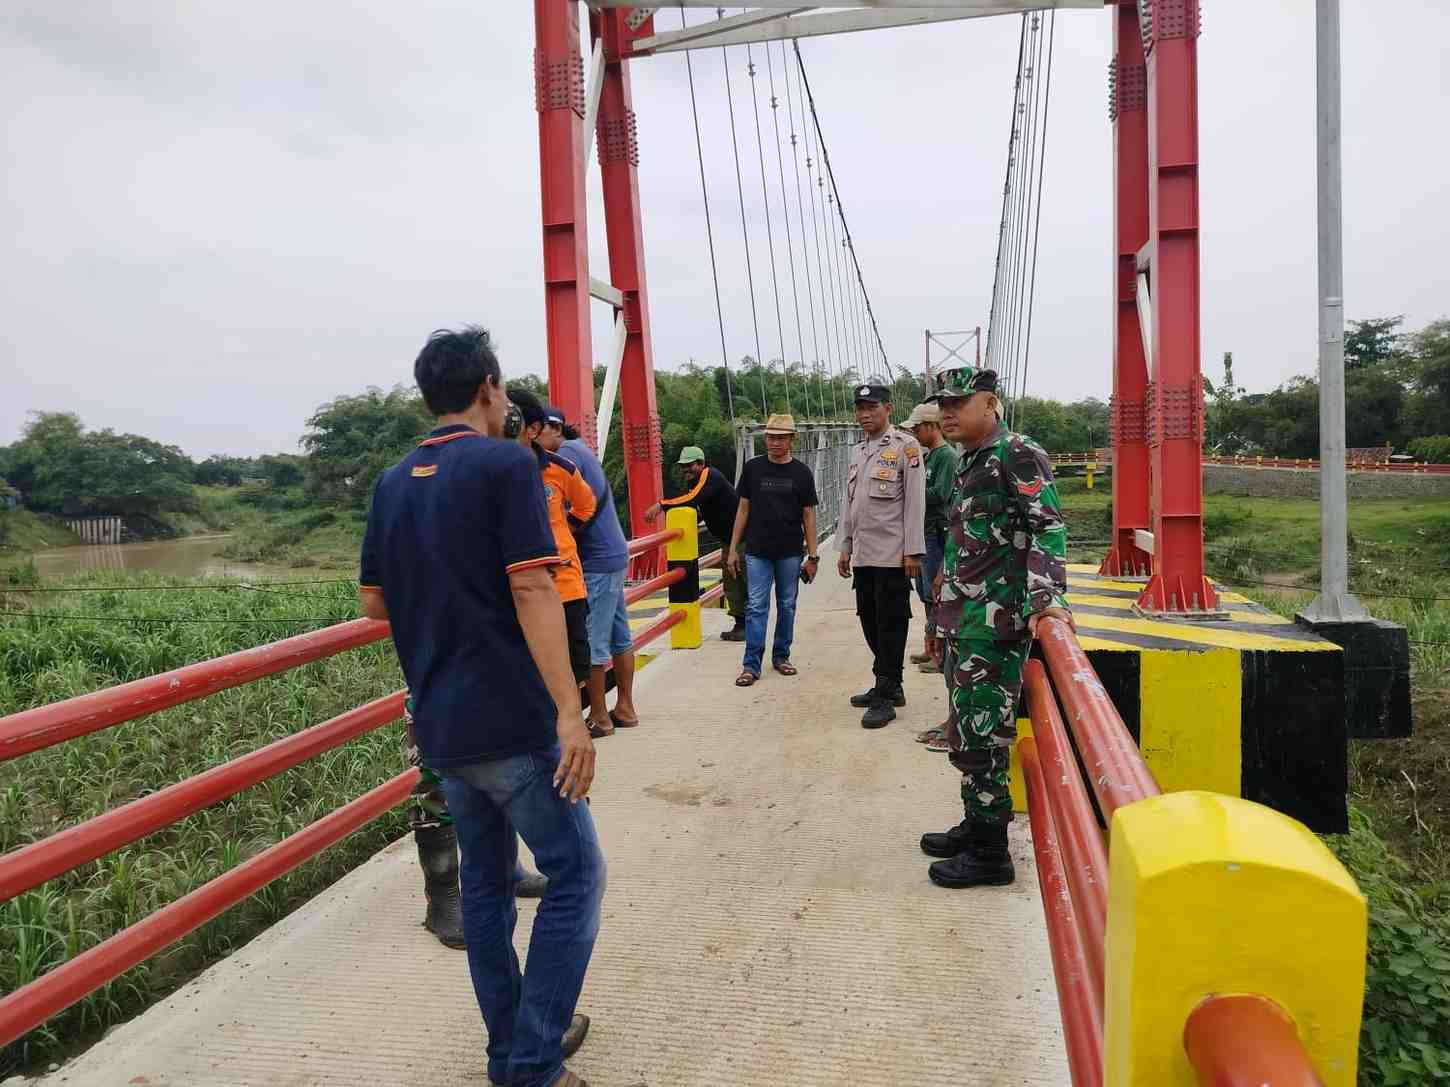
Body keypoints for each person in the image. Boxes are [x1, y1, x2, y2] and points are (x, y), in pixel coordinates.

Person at [359, 327, 601, 1087]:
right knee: (576, 877)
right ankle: (532, 1059)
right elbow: (533, 585)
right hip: (512, 721)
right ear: (491, 387)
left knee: (488, 888)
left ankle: (513, 1048)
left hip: (442, 726)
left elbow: (373, 600)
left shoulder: (394, 480)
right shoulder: (505, 464)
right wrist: (570, 710)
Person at [916, 365, 1072, 890]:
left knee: (983, 735)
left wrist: (1047, 599)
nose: (948, 412)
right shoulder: (969, 461)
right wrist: (939, 614)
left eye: (960, 403)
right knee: (967, 733)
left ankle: (990, 853)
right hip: (963, 620)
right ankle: (976, 821)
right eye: (944, 403)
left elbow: (1047, 527)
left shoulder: (1017, 453)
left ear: (991, 402)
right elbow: (964, 546)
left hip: (996, 624)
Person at [835, 382, 927, 728]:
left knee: (890, 623)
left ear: (888, 408)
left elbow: (916, 503)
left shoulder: (907, 447)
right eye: (860, 408)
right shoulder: (858, 450)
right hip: (864, 554)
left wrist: (914, 552)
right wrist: (845, 545)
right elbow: (849, 503)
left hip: (893, 553)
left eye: (871, 407)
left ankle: (886, 692)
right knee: (868, 620)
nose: (864, 414)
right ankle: (890, 682)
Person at [552, 409, 641, 738]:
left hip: (595, 561)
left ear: (552, 429)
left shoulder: (564, 456)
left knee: (593, 643)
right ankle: (626, 708)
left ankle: (600, 718)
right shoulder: (580, 449)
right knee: (620, 636)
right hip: (614, 554)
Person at [507, 389, 597, 692]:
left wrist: (562, 533)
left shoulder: (560, 469)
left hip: (564, 585)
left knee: (572, 673)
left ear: (533, 429)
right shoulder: (488, 473)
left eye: (511, 420)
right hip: (516, 593)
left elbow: (586, 504)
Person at [727, 414, 819, 687]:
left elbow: (809, 515)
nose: (775, 442)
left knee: (787, 605)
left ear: (792, 439)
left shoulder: (801, 473)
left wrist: (813, 556)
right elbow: (742, 509)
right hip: (757, 551)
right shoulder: (753, 468)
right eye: (770, 437)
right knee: (756, 606)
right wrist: (733, 549)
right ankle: (751, 664)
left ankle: (781, 656)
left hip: (790, 551)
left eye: (781, 437)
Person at [643, 446, 747, 641]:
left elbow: (692, 499)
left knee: (743, 580)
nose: (685, 470)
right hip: (728, 540)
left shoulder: (710, 475)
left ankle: (750, 626)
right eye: (683, 467)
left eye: (689, 465)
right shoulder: (696, 481)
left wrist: (661, 505)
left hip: (743, 539)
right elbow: (698, 505)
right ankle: (741, 625)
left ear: (701, 463)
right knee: (732, 581)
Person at [904, 400, 958, 676]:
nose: (914, 433)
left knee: (936, 594)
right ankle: (930, 647)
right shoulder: (929, 457)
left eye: (917, 428)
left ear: (930, 426)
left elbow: (942, 494)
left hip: (937, 532)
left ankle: (940, 654)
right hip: (925, 533)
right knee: (926, 594)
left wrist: (912, 490)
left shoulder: (947, 456)